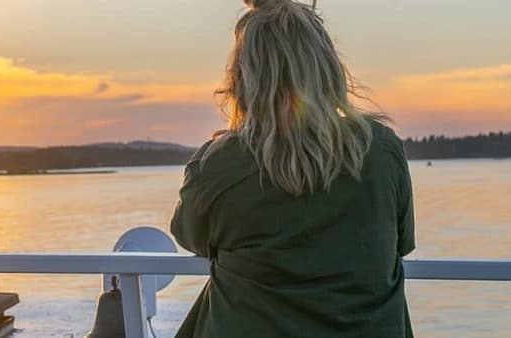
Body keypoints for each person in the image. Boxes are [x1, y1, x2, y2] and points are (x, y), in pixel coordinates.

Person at [170, 0, 415, 337]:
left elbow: (190, 236)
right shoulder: (381, 152)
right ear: (327, 67)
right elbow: (399, 243)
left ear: (243, 78)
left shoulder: (220, 165)